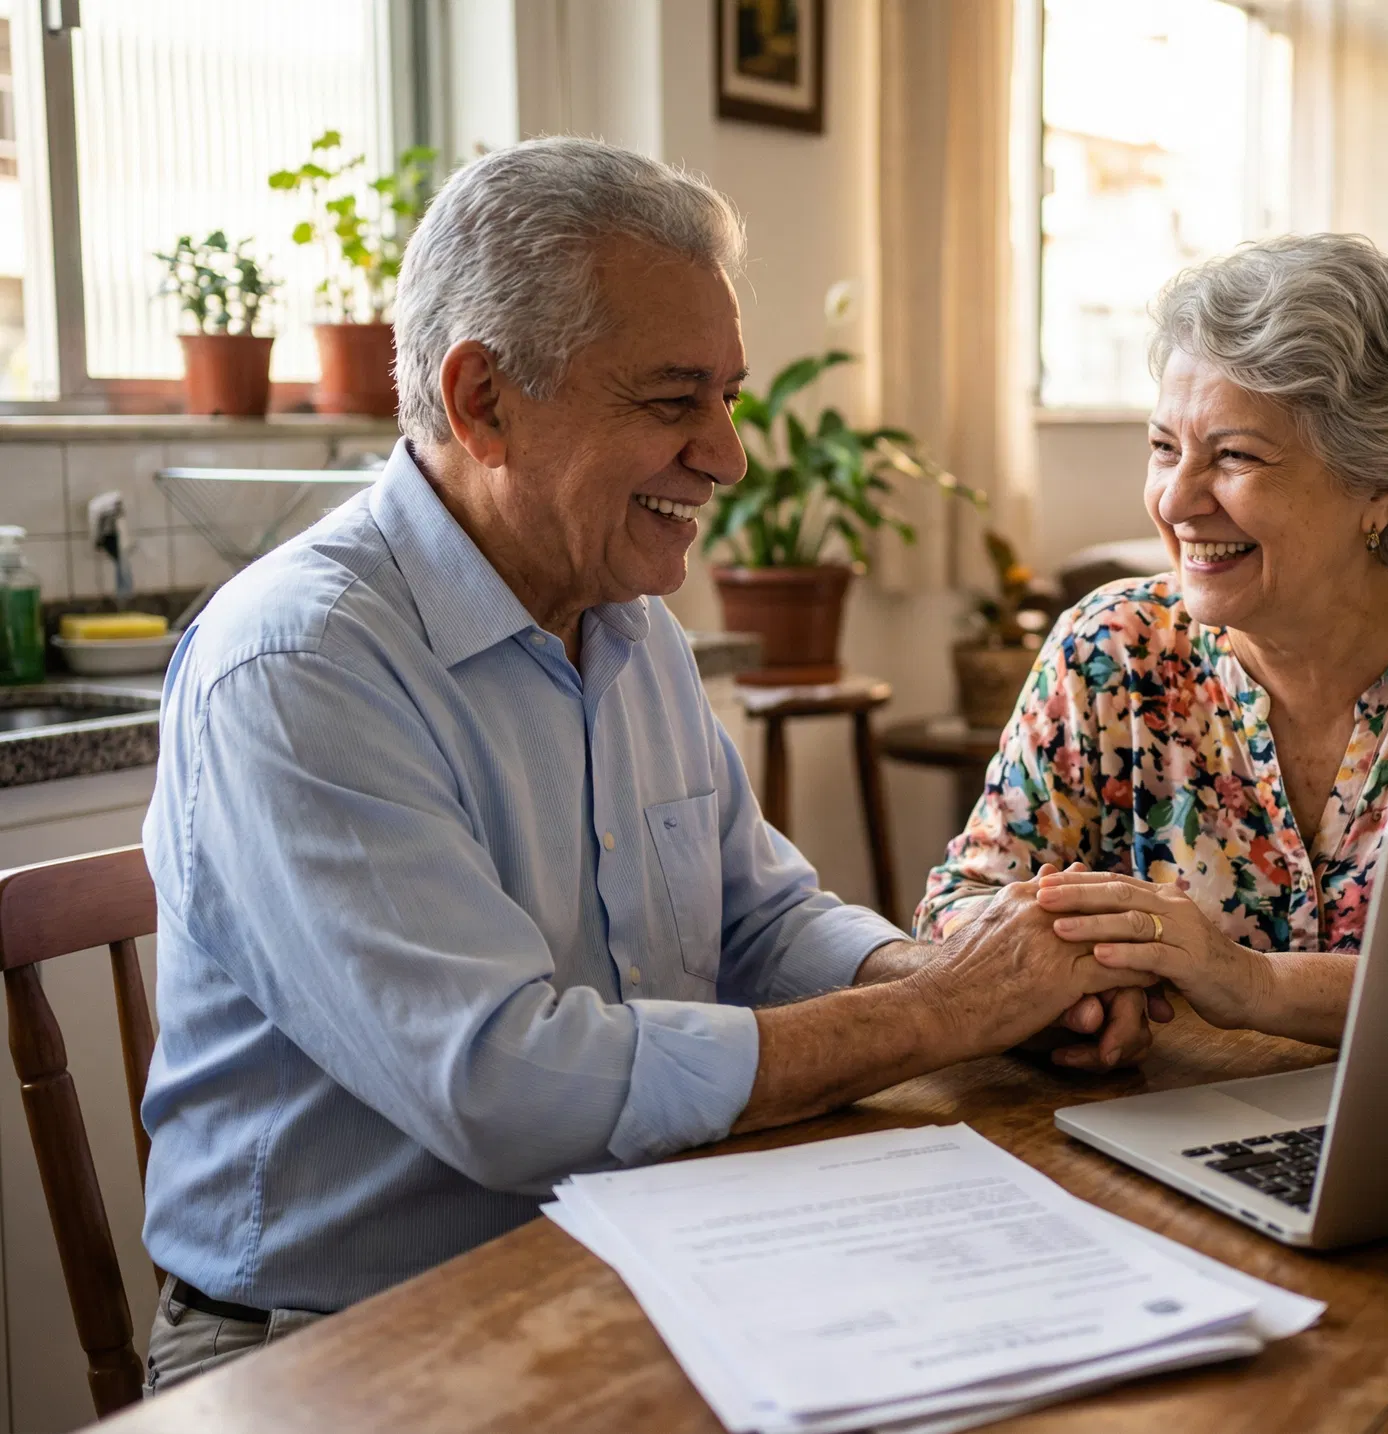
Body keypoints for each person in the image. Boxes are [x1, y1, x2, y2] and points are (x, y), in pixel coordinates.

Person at [138, 138, 1156, 1393]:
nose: (727, 455)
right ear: (483, 402)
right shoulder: (300, 664)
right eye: (674, 401)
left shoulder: (630, 625)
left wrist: (955, 971)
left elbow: (760, 917)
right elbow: (507, 1084)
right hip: (331, 1346)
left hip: (635, 1265)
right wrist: (946, 1012)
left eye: (726, 396)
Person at [916, 233, 1388, 1048]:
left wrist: (1245, 979)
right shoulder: (1109, 649)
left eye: (1235, 456)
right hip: (1162, 1125)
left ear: (1383, 486)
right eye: (1164, 448)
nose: (1175, 501)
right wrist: (1081, 998)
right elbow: (959, 909)